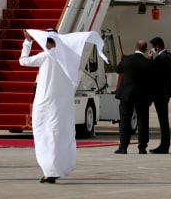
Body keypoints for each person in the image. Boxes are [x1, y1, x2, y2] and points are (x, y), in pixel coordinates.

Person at [19, 29, 107, 184]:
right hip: (62, 103)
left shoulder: (45, 56)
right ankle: (56, 168)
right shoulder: (67, 58)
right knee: (58, 134)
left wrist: (28, 42)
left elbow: (23, 61)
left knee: (43, 135)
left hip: (44, 101)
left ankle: (49, 170)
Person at [114, 40, 153, 155]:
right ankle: (142, 147)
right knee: (143, 121)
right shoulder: (148, 63)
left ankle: (123, 147)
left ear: (135, 48)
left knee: (125, 120)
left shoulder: (126, 59)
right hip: (142, 96)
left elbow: (118, 70)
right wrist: (150, 59)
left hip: (127, 95)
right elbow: (151, 77)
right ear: (146, 50)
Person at [148, 37, 171, 154]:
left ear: (157, 47)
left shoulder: (161, 58)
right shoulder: (169, 56)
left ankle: (164, 146)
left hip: (160, 93)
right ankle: (164, 145)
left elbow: (153, 73)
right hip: (165, 92)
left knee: (163, 120)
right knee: (164, 120)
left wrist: (151, 59)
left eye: (153, 47)